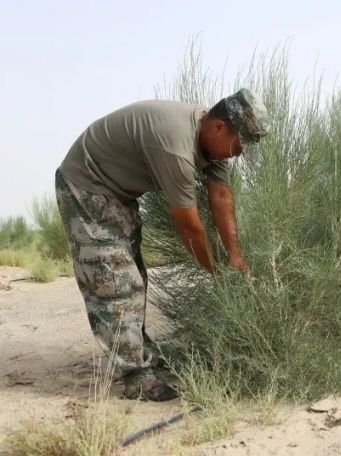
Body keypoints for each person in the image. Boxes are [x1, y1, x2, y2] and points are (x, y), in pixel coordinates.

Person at [55, 89, 270, 401]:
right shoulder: (175, 144)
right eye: (240, 144)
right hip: (85, 185)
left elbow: (221, 196)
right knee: (115, 281)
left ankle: (141, 354)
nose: (239, 153)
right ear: (219, 127)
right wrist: (220, 275)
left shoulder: (213, 145)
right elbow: (190, 229)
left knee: (135, 278)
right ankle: (136, 378)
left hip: (117, 194)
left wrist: (236, 257)